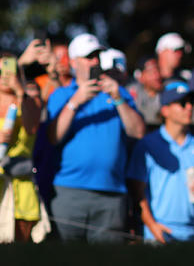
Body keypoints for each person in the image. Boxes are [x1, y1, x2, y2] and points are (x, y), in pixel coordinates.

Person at [47, 33, 145, 242]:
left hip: (111, 193)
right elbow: (53, 137)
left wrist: (118, 98)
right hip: (69, 191)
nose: (94, 61)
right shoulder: (62, 95)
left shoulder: (118, 93)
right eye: (88, 56)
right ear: (73, 62)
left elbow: (138, 132)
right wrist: (76, 101)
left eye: (97, 55)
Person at [126, 82, 194, 243]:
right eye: (182, 103)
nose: (189, 107)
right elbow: (137, 192)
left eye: (191, 103)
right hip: (158, 232)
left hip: (192, 233)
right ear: (165, 110)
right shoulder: (147, 145)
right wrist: (152, 226)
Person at [0, 53, 44, 242]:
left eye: (9, 70)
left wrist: (20, 92)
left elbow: (32, 127)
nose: (4, 75)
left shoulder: (29, 100)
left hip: (21, 186)